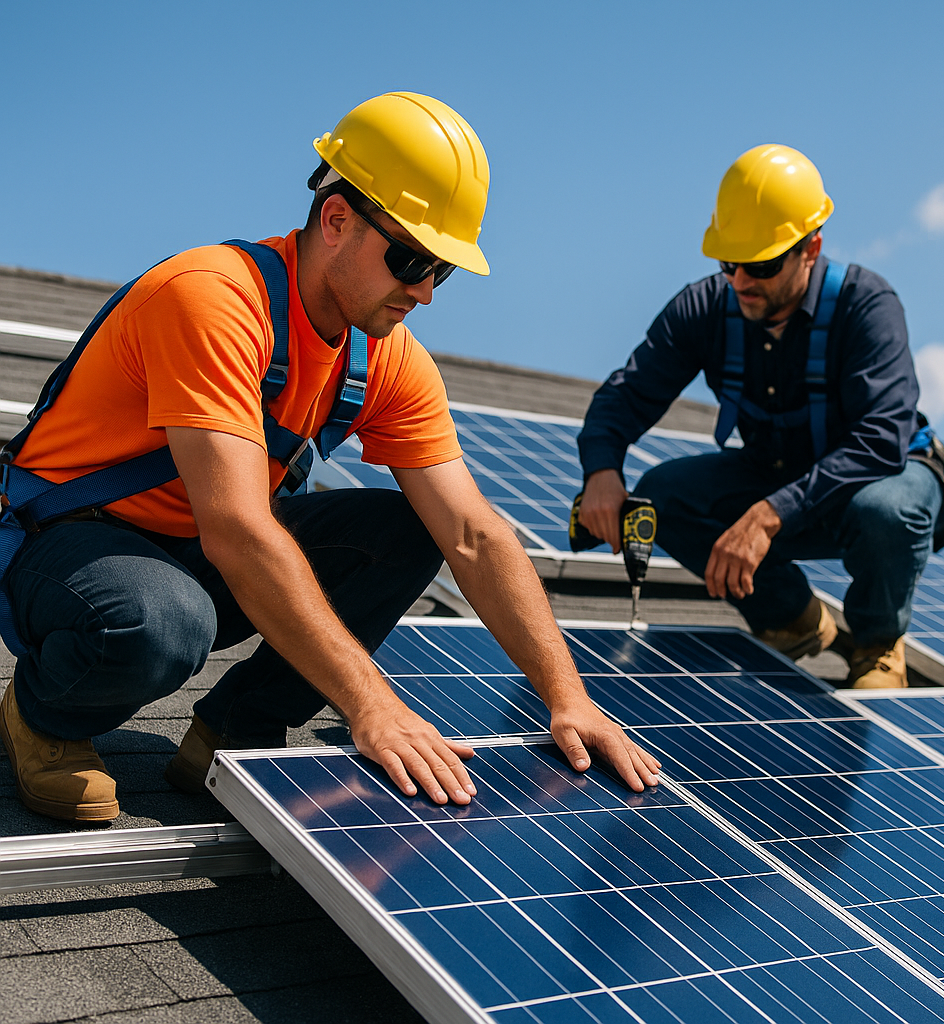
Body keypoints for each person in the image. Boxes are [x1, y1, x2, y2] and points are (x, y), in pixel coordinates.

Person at [0, 91, 660, 823]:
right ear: (337, 219)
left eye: (441, 270)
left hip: (192, 553)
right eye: (411, 258)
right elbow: (240, 533)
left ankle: (235, 725)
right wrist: (373, 705)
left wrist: (569, 700)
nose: (423, 292)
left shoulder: (385, 358)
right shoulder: (213, 299)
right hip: (63, 545)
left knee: (411, 530)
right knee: (164, 621)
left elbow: (472, 534)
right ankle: (44, 717)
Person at [577, 144, 943, 690]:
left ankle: (875, 646)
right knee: (661, 497)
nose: (742, 280)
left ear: (810, 248)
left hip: (877, 481)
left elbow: (880, 440)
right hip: (778, 473)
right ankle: (792, 621)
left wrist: (767, 515)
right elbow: (625, 396)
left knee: (886, 511)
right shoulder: (706, 309)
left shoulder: (866, 305)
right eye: (729, 262)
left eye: (763, 264)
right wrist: (602, 470)